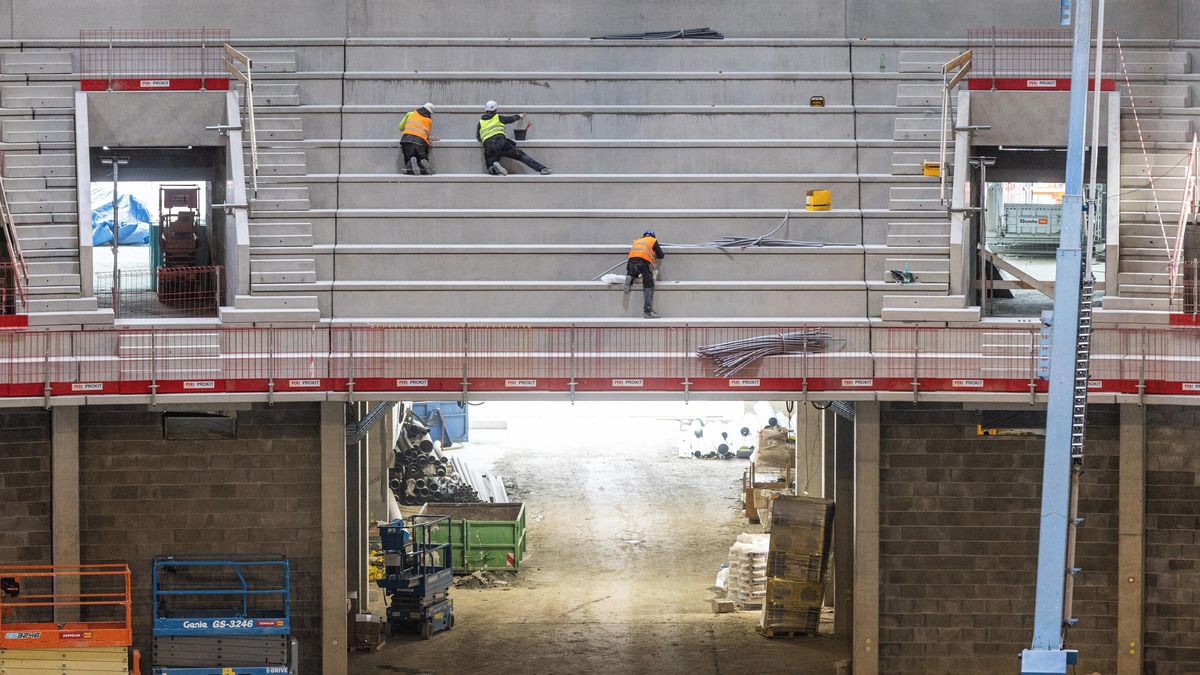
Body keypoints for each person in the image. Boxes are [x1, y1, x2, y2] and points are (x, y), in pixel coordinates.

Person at [477, 100, 552, 176]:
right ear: (496, 110)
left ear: (486, 110)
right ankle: (541, 168)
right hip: (502, 142)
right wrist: (519, 116)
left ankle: (494, 167)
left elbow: (478, 137)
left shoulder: (481, 122)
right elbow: (510, 119)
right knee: (520, 155)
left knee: (490, 166)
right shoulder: (498, 118)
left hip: (489, 146)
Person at [623, 230, 665, 319]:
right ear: (653, 236)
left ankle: (630, 277)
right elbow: (661, 255)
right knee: (649, 284)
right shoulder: (653, 240)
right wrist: (654, 253)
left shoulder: (637, 241)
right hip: (643, 261)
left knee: (634, 271)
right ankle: (648, 312)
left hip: (631, 261)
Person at [399, 103, 436, 175]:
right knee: (422, 156)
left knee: (408, 157)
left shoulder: (411, 113)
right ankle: (422, 162)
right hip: (420, 142)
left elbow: (400, 127)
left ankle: (410, 162)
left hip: (407, 139)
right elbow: (426, 134)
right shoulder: (429, 120)